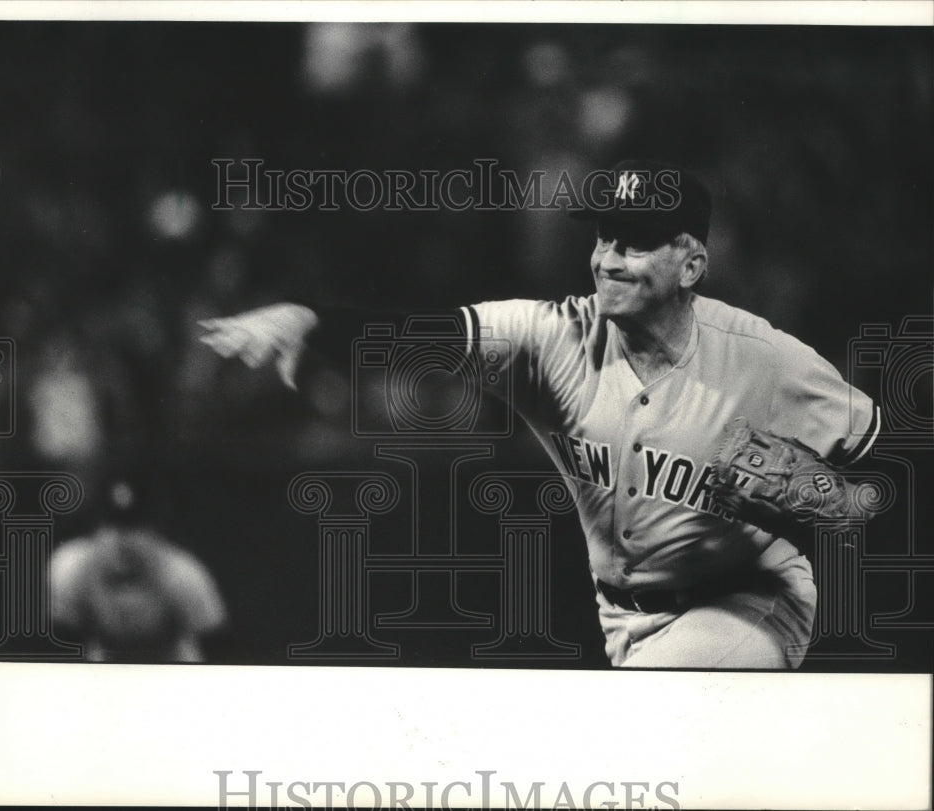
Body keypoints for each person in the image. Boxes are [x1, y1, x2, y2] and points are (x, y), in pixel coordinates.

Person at [199, 159, 880, 669]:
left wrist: (824, 494)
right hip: (621, 619)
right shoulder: (550, 338)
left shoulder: (764, 357)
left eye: (636, 243)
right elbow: (417, 333)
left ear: (693, 262)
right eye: (605, 238)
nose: (609, 259)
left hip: (750, 604)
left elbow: (879, 467)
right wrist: (309, 318)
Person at [49, 480, 229, 662]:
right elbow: (61, 646)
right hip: (105, 665)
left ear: (157, 532)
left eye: (135, 526)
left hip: (170, 667)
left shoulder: (183, 573)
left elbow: (216, 646)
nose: (123, 540)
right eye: (113, 525)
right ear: (95, 529)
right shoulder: (73, 565)